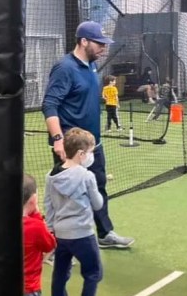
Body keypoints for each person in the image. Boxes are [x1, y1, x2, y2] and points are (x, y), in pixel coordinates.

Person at [42, 21, 133, 249]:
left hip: (93, 144)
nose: (103, 49)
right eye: (99, 44)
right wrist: (57, 139)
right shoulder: (65, 68)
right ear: (84, 42)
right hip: (71, 146)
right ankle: (55, 243)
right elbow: (50, 105)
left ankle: (104, 233)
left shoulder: (91, 66)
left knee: (98, 187)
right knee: (66, 195)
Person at [45, 128, 105, 296]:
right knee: (94, 272)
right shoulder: (86, 176)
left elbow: (49, 205)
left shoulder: (51, 175)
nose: (90, 156)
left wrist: (51, 230)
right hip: (82, 233)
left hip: (61, 234)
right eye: (89, 151)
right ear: (80, 153)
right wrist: (94, 190)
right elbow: (97, 204)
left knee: (61, 272)